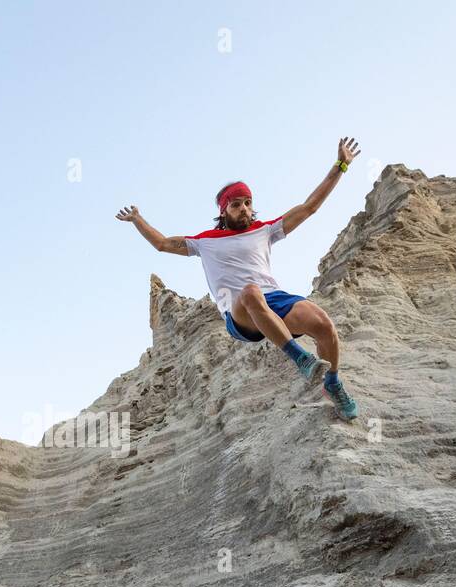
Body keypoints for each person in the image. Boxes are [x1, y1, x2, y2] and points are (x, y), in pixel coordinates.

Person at [116, 137, 361, 420]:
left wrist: (340, 165)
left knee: (324, 325)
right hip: (240, 314)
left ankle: (333, 383)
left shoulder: (265, 230)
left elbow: (309, 207)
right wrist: (138, 219)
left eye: (248, 202)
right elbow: (162, 244)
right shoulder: (204, 242)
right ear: (223, 211)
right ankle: (301, 359)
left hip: (275, 300)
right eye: (236, 204)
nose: (244, 208)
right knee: (250, 292)